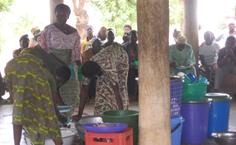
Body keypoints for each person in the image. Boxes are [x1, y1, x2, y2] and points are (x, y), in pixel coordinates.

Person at [4, 48, 71, 145]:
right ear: (59, 78)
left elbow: (11, 91)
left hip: (12, 68)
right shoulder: (48, 74)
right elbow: (51, 102)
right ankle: (58, 143)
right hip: (32, 69)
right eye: (60, 83)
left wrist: (16, 101)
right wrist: (59, 116)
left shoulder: (12, 64)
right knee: (49, 116)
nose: (59, 84)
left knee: (18, 113)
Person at [76, 37, 129, 119]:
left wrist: (121, 116)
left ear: (96, 74)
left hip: (121, 56)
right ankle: (101, 114)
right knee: (102, 87)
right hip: (107, 56)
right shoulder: (89, 66)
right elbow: (84, 90)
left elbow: (117, 91)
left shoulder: (109, 67)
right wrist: (79, 114)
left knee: (121, 86)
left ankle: (121, 113)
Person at [40, 3, 81, 70]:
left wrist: (79, 66)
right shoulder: (49, 29)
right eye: (58, 15)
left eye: (64, 15)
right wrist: (56, 61)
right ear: (55, 15)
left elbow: (77, 52)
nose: (61, 18)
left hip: (69, 65)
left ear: (68, 16)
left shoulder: (74, 33)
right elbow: (44, 48)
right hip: (52, 64)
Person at [124, 30, 138, 100]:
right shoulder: (126, 46)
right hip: (129, 67)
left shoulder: (138, 46)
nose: (134, 38)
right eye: (132, 36)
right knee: (131, 72)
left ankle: (137, 94)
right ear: (129, 37)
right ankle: (131, 94)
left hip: (137, 67)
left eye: (135, 36)